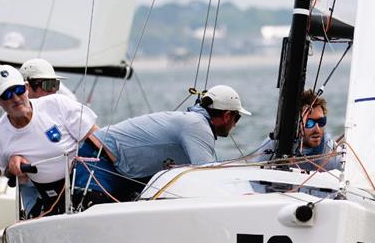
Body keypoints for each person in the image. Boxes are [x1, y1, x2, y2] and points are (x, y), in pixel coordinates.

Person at [72, 84, 250, 207]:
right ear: (227, 115)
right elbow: (207, 174)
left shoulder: (193, 123)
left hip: (121, 171)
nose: (236, 124)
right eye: (237, 118)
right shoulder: (196, 124)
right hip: (97, 161)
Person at [0, 64, 98, 216]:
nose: (15, 98)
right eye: (6, 94)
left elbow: (99, 138)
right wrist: (12, 165)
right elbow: (8, 173)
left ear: (26, 88)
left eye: (19, 90)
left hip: (84, 181)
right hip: (43, 195)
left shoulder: (58, 103)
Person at [251, 89, 342, 171]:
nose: (317, 129)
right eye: (309, 123)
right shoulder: (274, 145)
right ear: (295, 123)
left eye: (321, 121)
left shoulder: (332, 153)